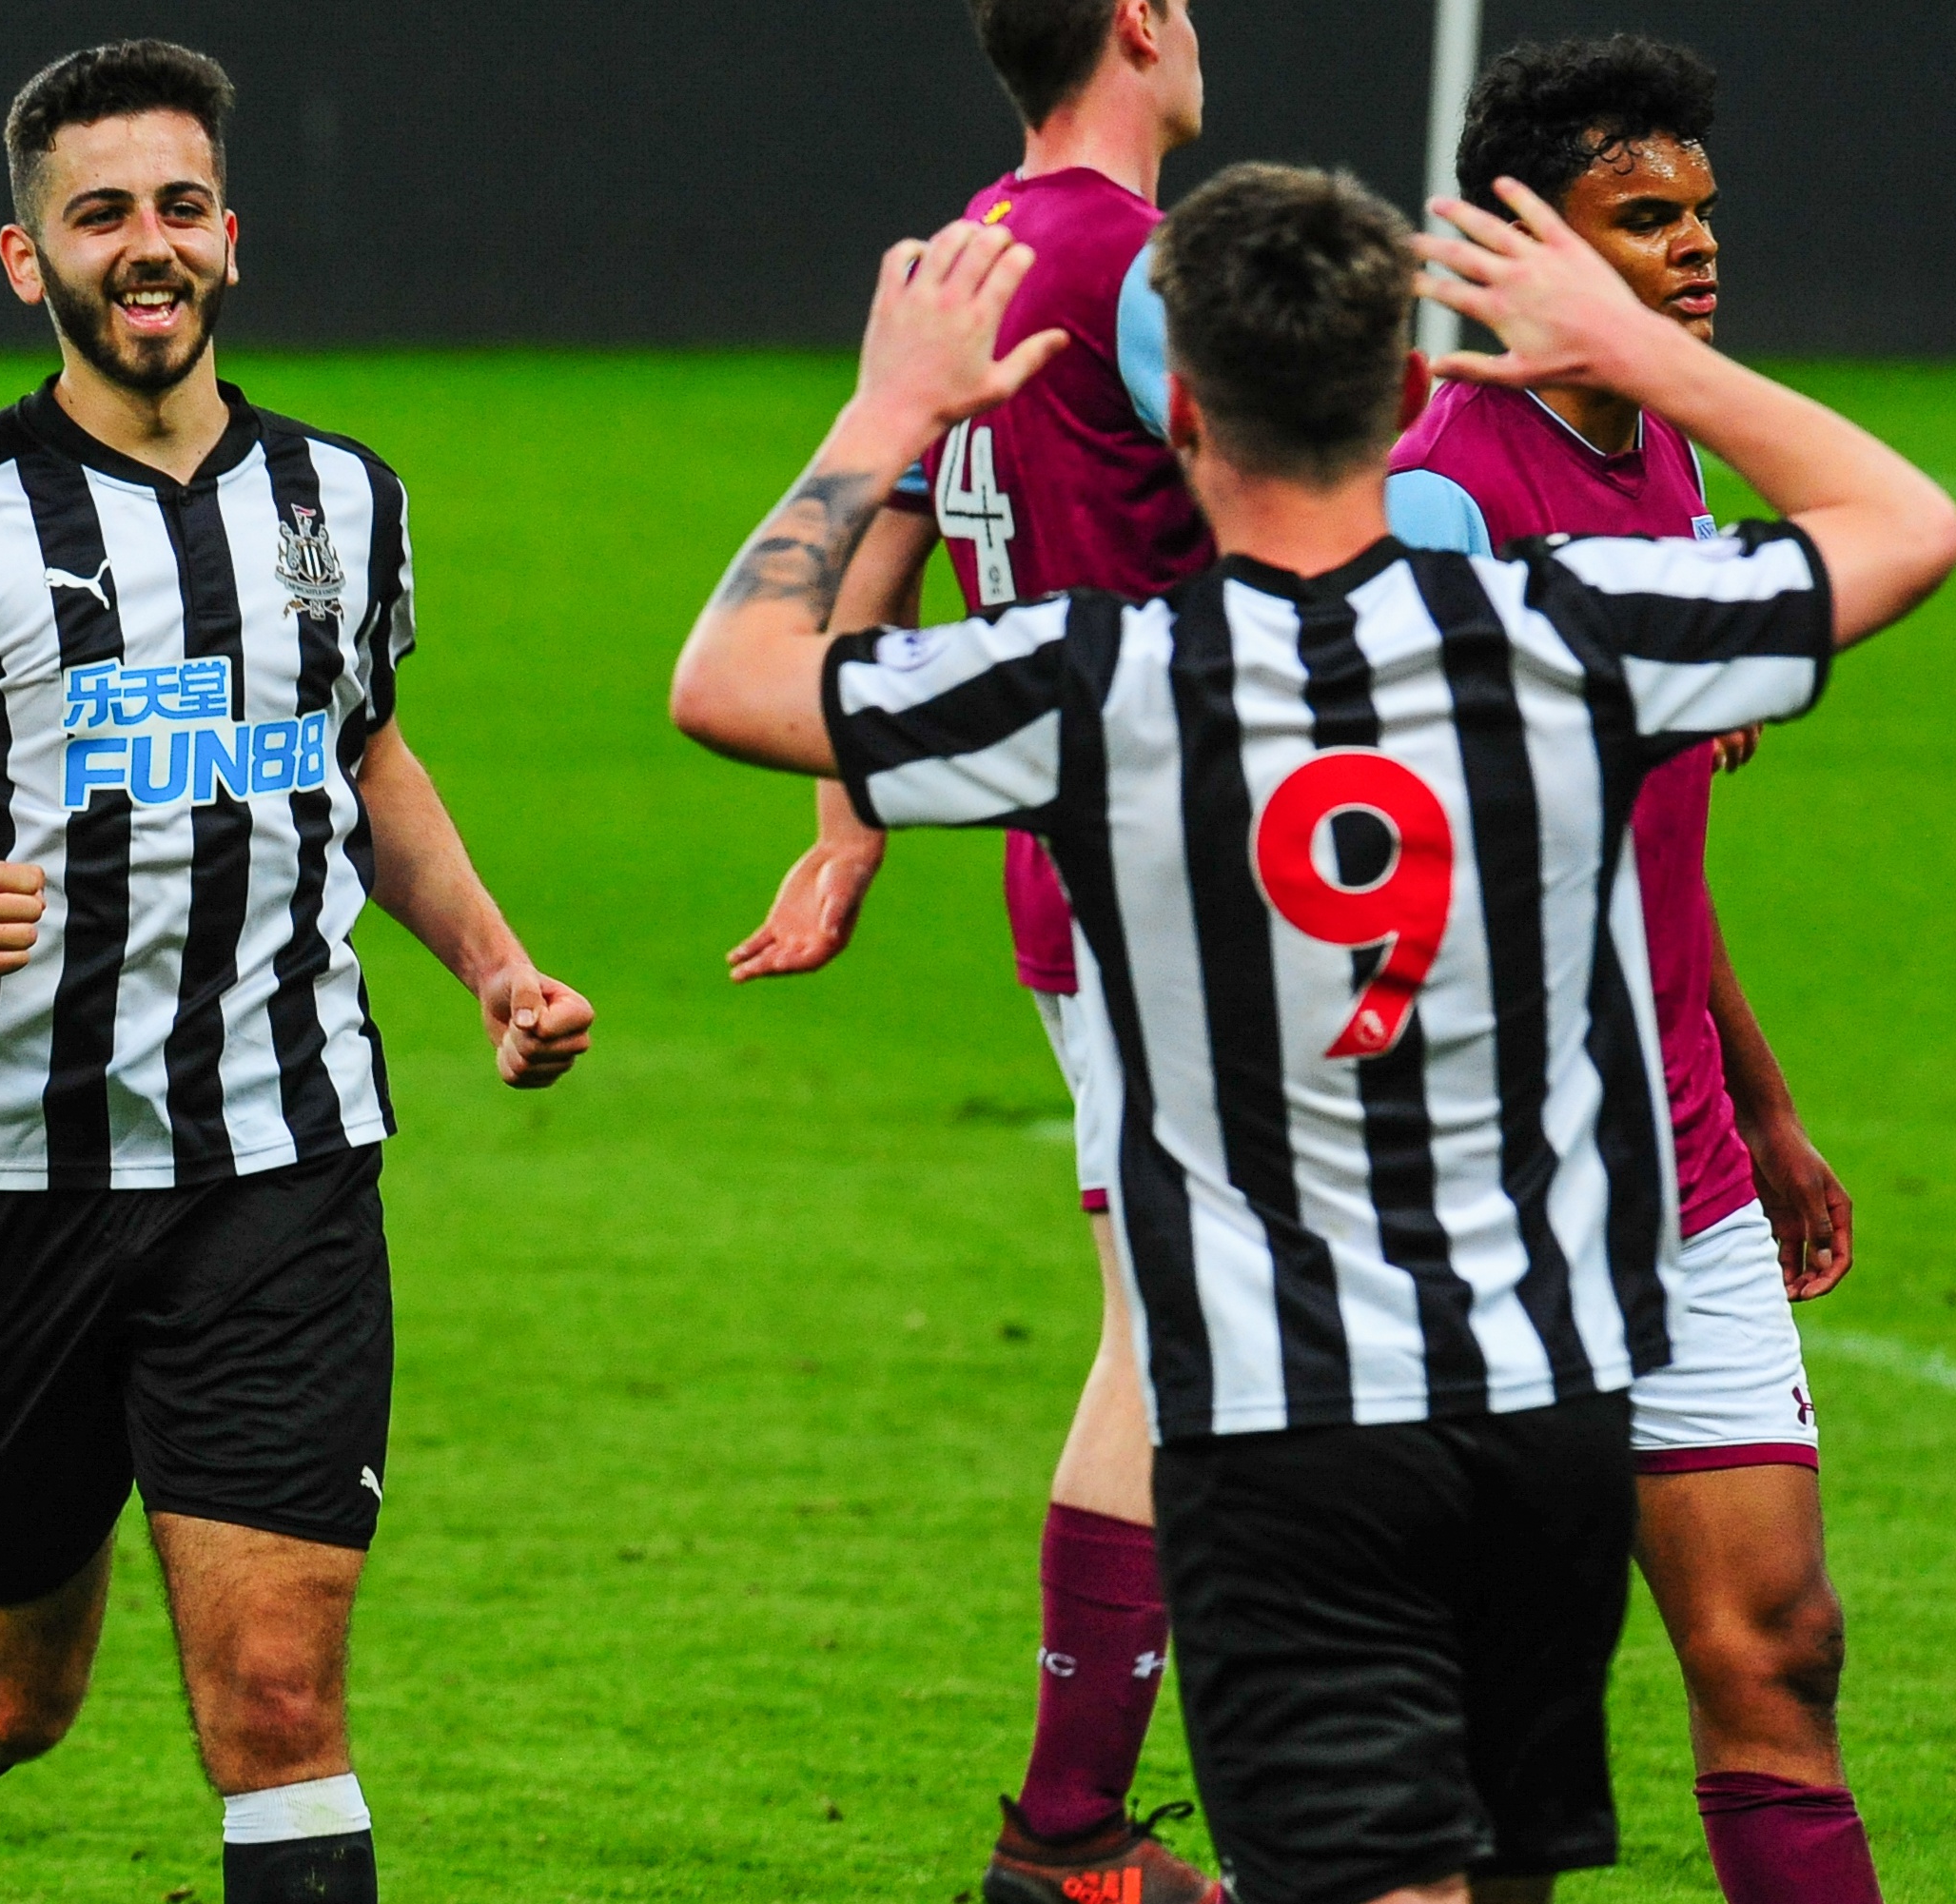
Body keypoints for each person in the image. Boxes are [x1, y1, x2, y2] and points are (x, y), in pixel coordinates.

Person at [669, 156, 1956, 1904]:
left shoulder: (1099, 683)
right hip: (1544, 1404)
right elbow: (1905, 528)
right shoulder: (1561, 635)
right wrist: (1637, 353)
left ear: (1180, 406)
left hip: (1284, 1428)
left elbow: (730, 683)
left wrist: (884, 412)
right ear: (1414, 386)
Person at [0, 40, 594, 1904]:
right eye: (102, 214)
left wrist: (492, 963)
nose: (149, 247)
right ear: (24, 256)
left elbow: (360, 752)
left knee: (277, 1699)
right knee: (20, 1679)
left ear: (231, 237)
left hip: (277, 1170)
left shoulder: (343, 503)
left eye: (180, 207)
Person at [725, 9, 1220, 1890]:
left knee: (1180, 1332)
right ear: (1140, 27)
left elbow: (900, 522)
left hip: (1056, 847)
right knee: (1201, 1344)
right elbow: (1308, 504)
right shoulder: (1142, 262)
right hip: (1203, 853)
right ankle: (1078, 1831)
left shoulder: (975, 251)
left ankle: (1090, 1822)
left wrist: (853, 813)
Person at [1387, 41, 1879, 1904]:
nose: (1695, 250)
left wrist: (1755, 1094)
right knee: (1505, 1745)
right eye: (1643, 218)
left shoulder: (1658, 445)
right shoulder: (1440, 495)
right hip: (1497, 1207)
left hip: (1683, 1168)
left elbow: (1646, 855)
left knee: (1782, 1647)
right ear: (1532, 241)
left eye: (1702, 215)